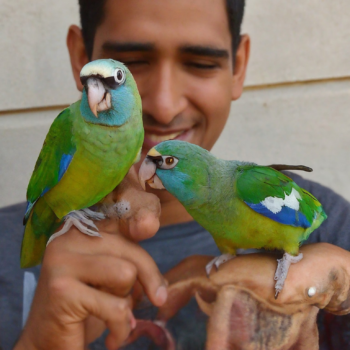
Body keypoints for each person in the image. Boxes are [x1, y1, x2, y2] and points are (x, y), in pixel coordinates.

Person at [1, 0, 350, 349]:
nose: (165, 108)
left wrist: (334, 274)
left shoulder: (335, 230)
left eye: (200, 63)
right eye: (135, 63)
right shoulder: (7, 254)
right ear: (81, 57)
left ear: (239, 66)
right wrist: (39, 341)